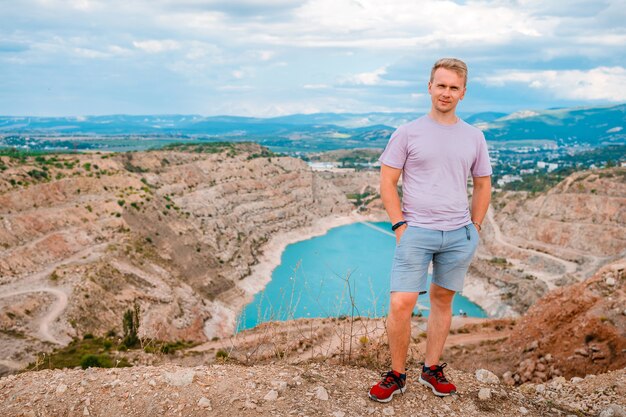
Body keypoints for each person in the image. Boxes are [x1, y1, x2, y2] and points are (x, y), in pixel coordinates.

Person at [368, 58, 492, 402]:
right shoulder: (407, 132)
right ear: (429, 87)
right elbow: (387, 182)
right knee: (401, 303)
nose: (446, 93)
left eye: (454, 87)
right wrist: (398, 225)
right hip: (416, 230)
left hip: (457, 234)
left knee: (442, 301)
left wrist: (475, 227)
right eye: (441, 85)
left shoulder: (474, 137)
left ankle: (431, 369)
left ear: (463, 93)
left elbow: (483, 184)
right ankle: (396, 374)